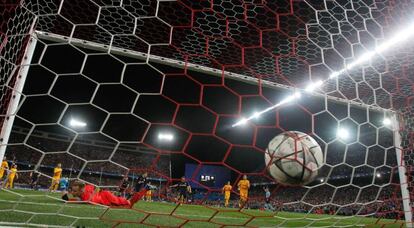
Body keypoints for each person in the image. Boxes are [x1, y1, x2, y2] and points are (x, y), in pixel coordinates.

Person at [62, 180, 135, 207]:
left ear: (80, 191)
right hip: (102, 195)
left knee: (117, 201)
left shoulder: (86, 197)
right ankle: (128, 200)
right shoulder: (86, 189)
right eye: (72, 190)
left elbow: (77, 201)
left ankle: (128, 201)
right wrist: (65, 197)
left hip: (105, 196)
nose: (72, 192)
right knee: (116, 201)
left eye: (74, 191)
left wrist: (66, 198)